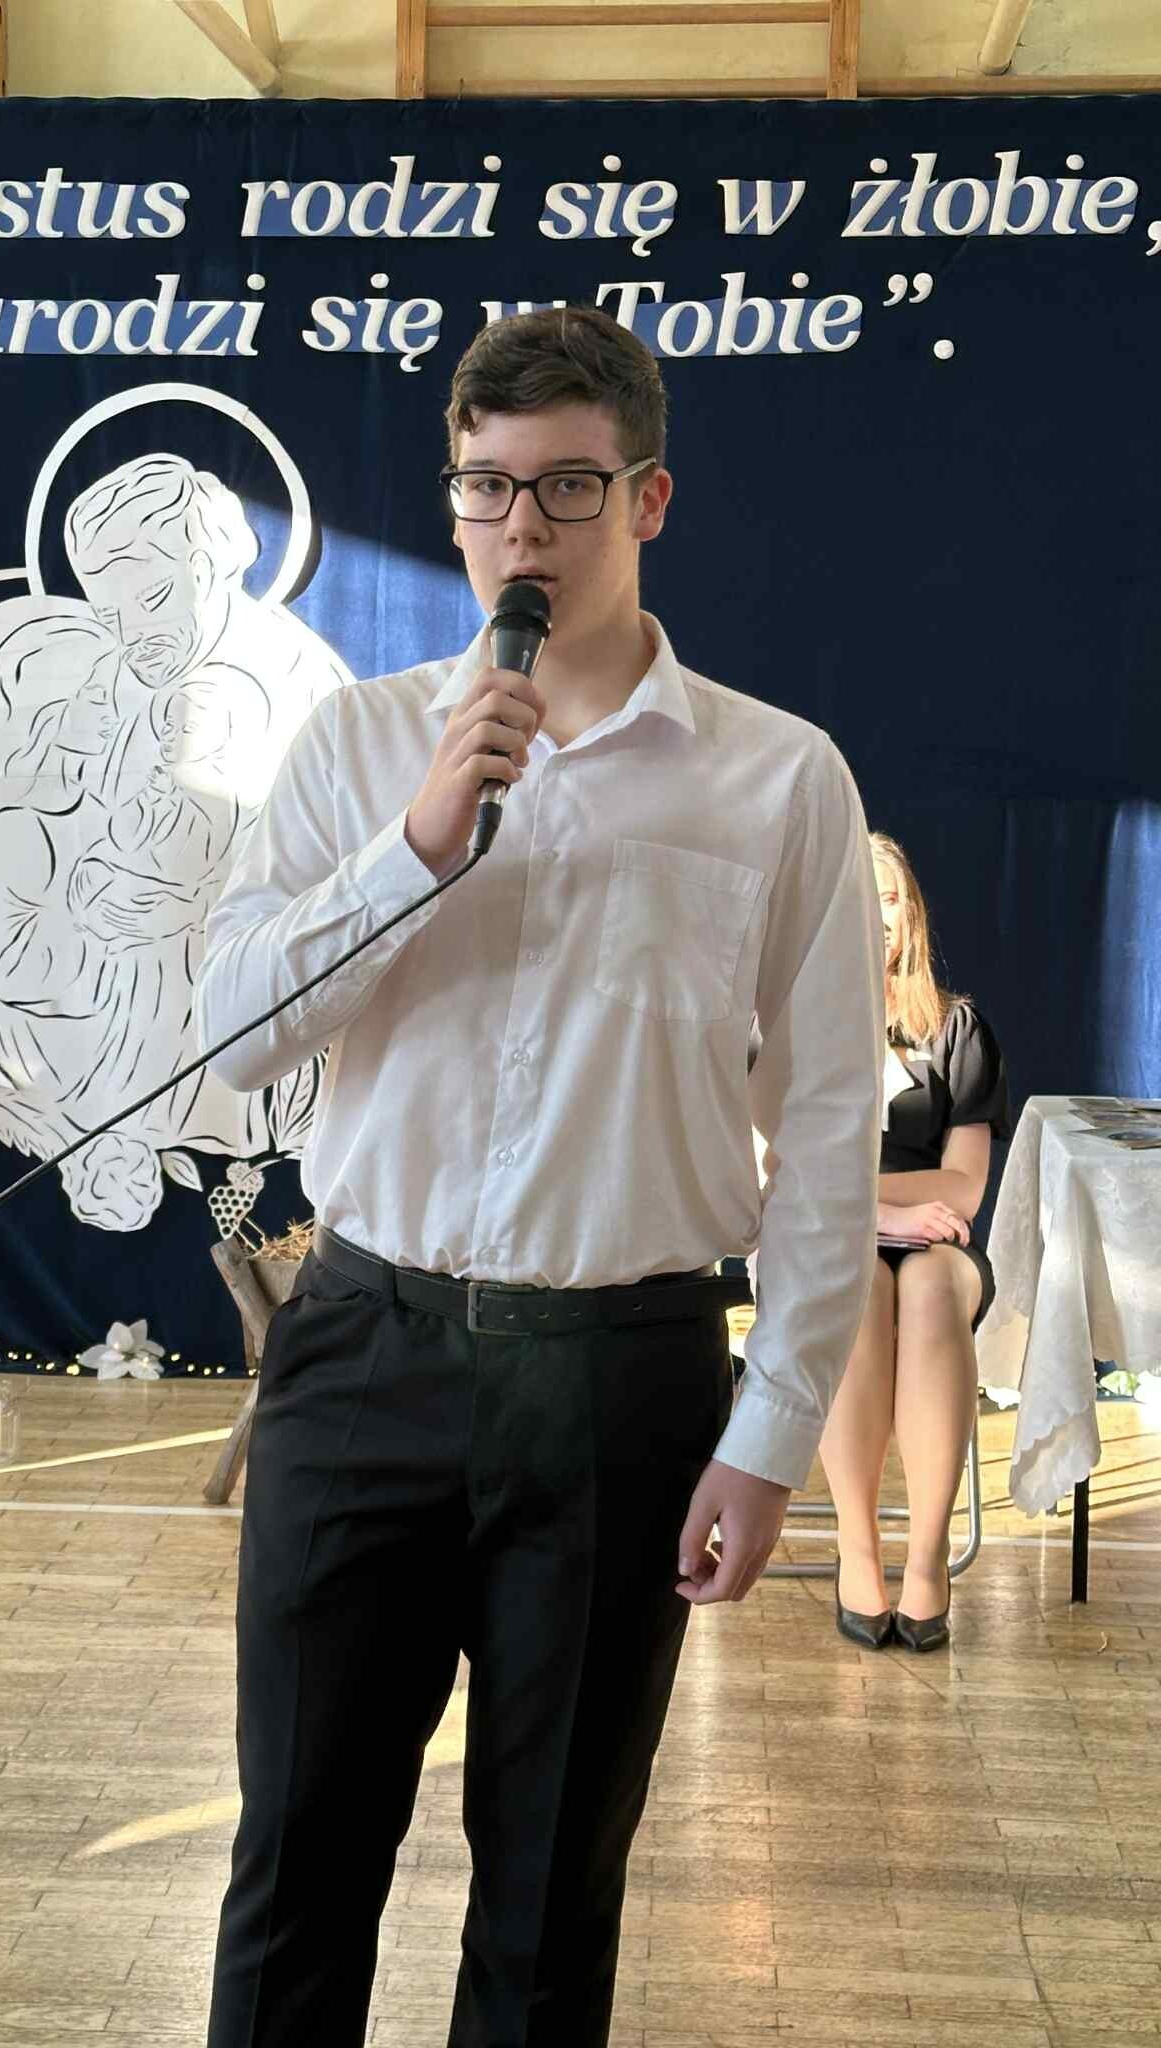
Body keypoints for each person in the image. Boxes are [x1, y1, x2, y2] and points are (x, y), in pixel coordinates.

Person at [194, 304, 885, 2048]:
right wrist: (418, 844)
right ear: (453, 505)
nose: (525, 528)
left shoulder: (777, 777)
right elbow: (232, 1038)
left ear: (648, 499)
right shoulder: (363, 748)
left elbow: (826, 1131)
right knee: (296, 1866)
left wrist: (773, 1429)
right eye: (488, 487)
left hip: (621, 1379)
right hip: (365, 1350)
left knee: (550, 1896)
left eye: (570, 486)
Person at [822, 831, 1010, 1654]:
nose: (877, 914)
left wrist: (874, 1206)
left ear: (913, 915)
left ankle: (927, 1557)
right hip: (825, 1239)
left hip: (937, 1242)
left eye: (890, 897)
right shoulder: (791, 1022)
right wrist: (873, 1216)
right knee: (857, 1285)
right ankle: (857, 1549)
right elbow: (773, 1179)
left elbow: (962, 1188)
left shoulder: (959, 1029)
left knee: (929, 1286)